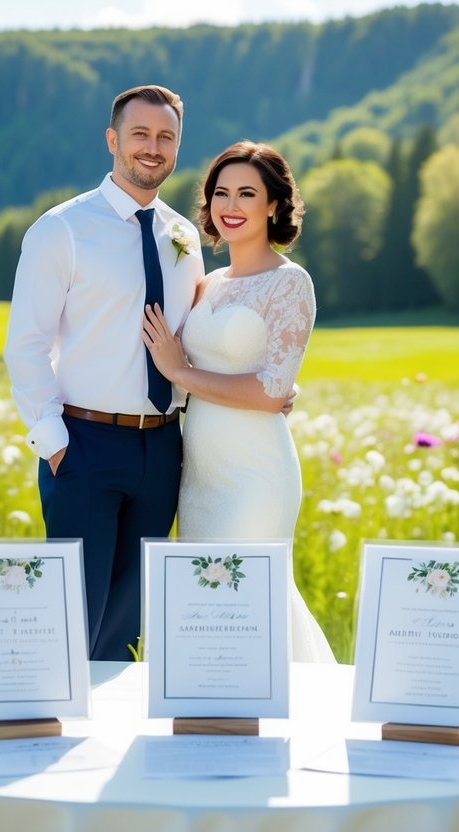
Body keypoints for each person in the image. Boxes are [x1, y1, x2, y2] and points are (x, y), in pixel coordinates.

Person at [4, 84, 204, 661]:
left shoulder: (183, 239)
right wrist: (52, 441)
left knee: (126, 629)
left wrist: (262, 383)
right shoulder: (60, 230)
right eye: (140, 134)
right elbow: (26, 342)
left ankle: (111, 747)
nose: (153, 147)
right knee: (70, 623)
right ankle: (52, 742)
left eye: (166, 137)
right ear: (112, 140)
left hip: (163, 450)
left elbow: (193, 337)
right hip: (83, 445)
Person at [141, 140, 335, 662]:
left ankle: (268, 717)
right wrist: (178, 374)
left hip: (256, 474)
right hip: (200, 475)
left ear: (273, 205)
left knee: (249, 595)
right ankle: (213, 717)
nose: (230, 205)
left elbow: (272, 394)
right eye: (220, 192)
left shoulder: (290, 283)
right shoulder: (207, 283)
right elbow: (192, 377)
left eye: (246, 193)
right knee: (205, 603)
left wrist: (179, 369)